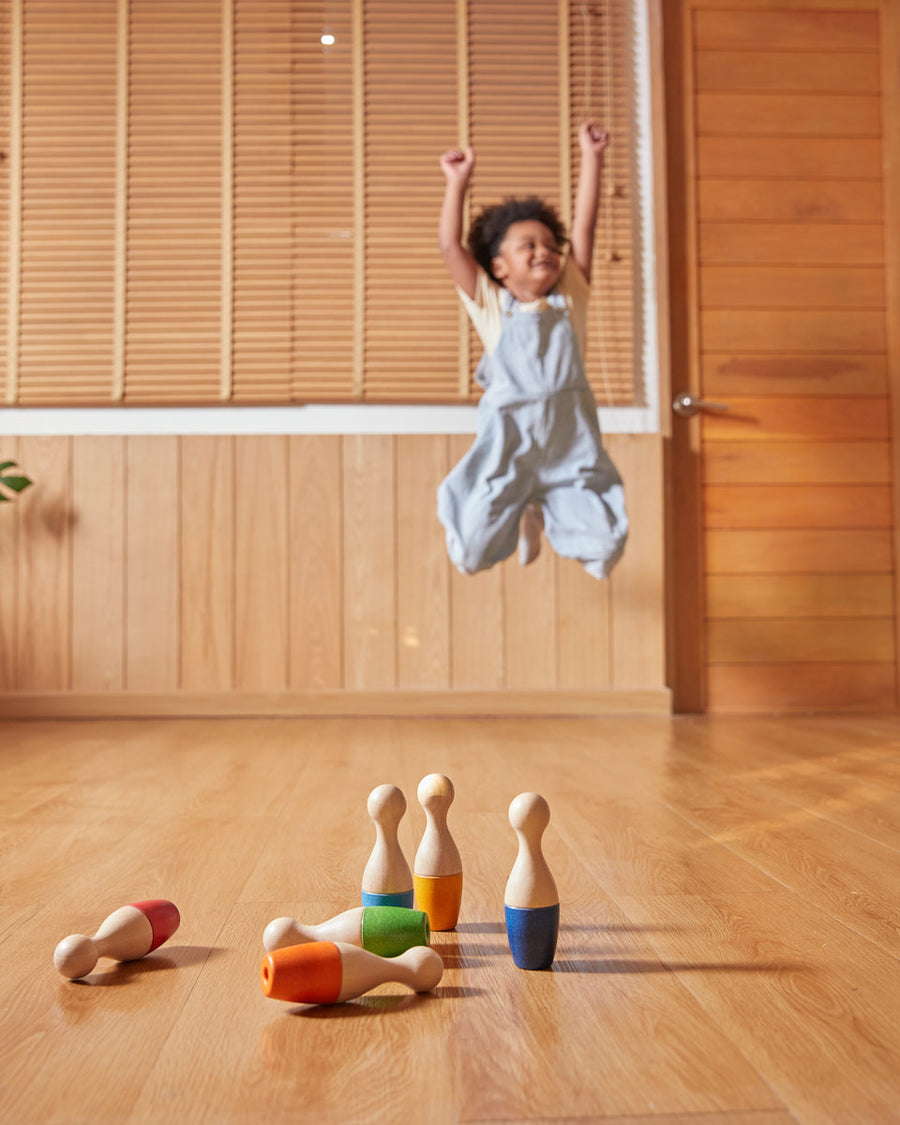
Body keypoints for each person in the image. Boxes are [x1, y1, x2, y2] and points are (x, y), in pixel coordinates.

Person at [435, 122, 628, 580]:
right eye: (528, 246)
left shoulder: (571, 297)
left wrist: (593, 158)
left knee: (604, 550)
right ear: (499, 268)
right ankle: (523, 506)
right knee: (472, 552)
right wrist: (457, 182)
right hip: (510, 440)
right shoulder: (493, 307)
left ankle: (541, 506)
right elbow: (449, 246)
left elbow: (585, 225)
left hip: (571, 438)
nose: (543, 251)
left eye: (548, 245)